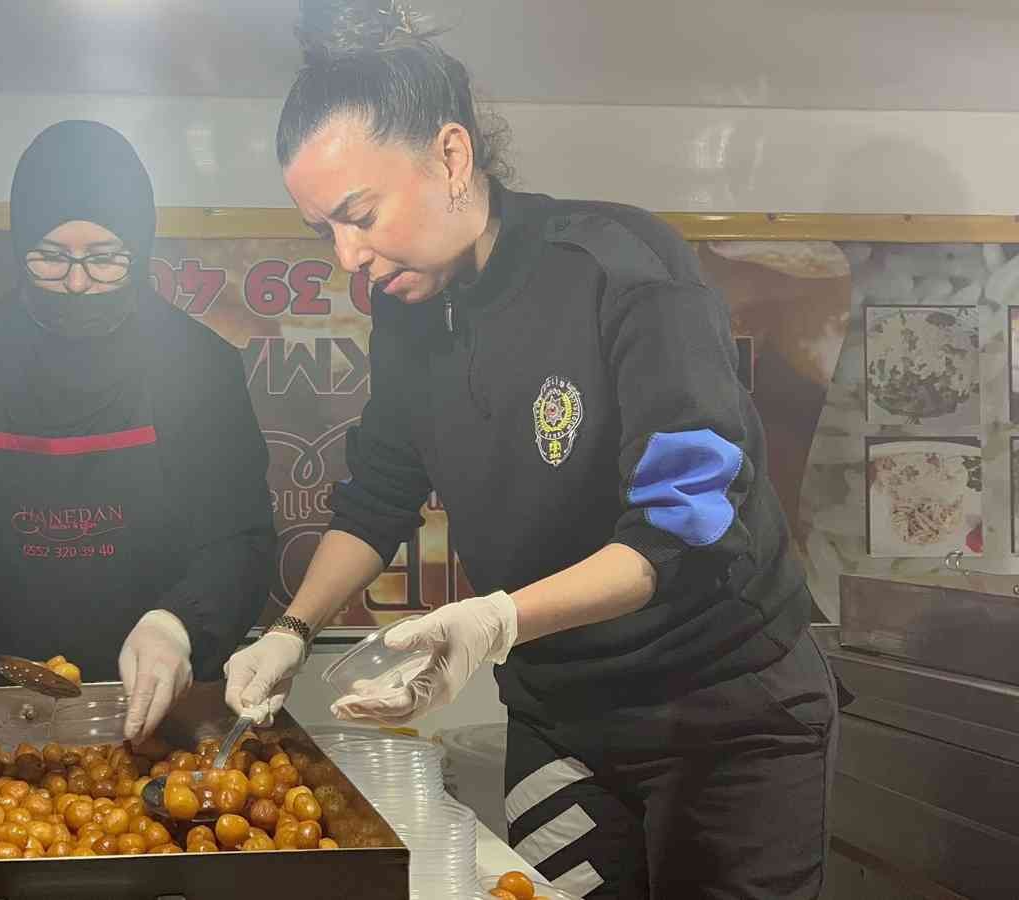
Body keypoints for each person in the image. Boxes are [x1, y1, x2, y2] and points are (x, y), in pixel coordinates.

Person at [223, 2, 836, 897]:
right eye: (326, 232)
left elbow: (686, 521)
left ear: (452, 156)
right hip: (564, 716)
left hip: (724, 706)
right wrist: (290, 629)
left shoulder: (619, 268)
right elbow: (381, 489)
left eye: (359, 214)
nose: (348, 256)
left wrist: (498, 619)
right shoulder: (405, 309)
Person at [0, 120, 276, 744]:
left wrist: (179, 624)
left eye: (105, 259)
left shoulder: (200, 365)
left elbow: (239, 537)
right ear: (20, 247)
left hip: (167, 701)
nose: (77, 283)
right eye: (50, 257)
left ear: (139, 248)